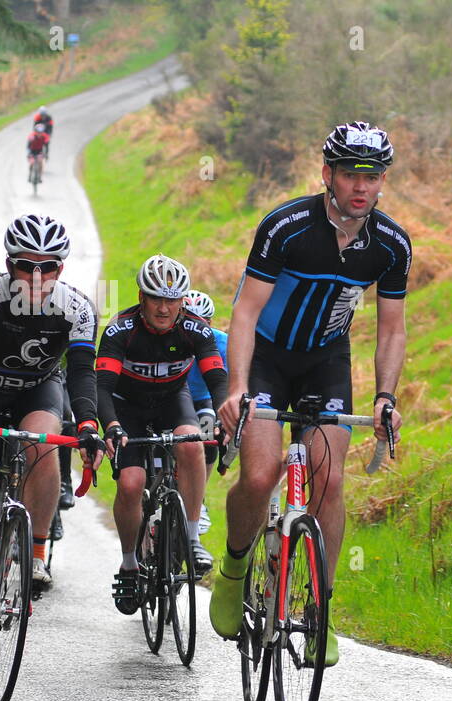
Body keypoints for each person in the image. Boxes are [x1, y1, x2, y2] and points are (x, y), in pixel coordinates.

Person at [211, 121, 410, 666]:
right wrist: (236, 389)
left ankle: (321, 609)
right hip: (268, 359)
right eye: (350, 174)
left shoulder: (390, 245)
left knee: (329, 477)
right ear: (328, 174)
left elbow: (391, 330)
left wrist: (385, 397)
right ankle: (232, 570)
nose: (361, 187)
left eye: (372, 177)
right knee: (258, 473)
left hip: (326, 362)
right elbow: (246, 312)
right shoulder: (287, 227)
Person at [0, 214, 103, 661]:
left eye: (48, 267)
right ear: (10, 265)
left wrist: (88, 423)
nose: (37, 277)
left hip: (38, 390)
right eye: (26, 266)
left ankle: (37, 549)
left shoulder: (79, 307)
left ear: (61, 269)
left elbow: (84, 375)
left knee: (43, 444)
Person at [97, 255, 227, 612]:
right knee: (130, 484)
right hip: (127, 407)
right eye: (157, 298)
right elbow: (102, 387)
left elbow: (216, 378)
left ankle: (191, 535)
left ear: (183, 300)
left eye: (172, 299)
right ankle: (129, 563)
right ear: (142, 297)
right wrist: (111, 425)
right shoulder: (119, 330)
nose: (164, 307)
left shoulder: (196, 329)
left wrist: (222, 417)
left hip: (173, 400)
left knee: (192, 445)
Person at [181, 289, 227, 534]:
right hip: (169, 398)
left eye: (203, 324)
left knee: (210, 425)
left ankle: (199, 498)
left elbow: (228, 385)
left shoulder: (222, 343)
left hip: (203, 400)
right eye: (188, 322)